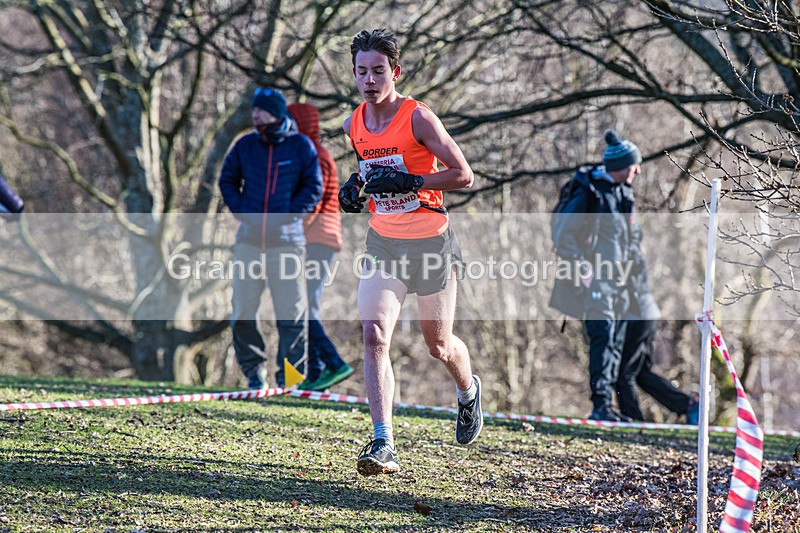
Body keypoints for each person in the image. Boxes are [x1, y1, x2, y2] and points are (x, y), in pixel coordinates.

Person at [339, 28, 483, 476]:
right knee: (374, 335)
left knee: (438, 345)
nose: (369, 80)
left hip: (431, 241)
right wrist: (353, 188)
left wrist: (414, 181)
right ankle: (383, 443)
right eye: (361, 72)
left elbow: (464, 176)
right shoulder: (353, 124)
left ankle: (468, 391)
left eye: (378, 71)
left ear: (394, 72)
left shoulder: (418, 117)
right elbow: (370, 172)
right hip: (384, 240)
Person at [552, 130, 689, 422]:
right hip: (597, 282)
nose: (638, 170)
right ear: (622, 166)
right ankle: (600, 405)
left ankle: (609, 408)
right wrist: (584, 270)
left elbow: (630, 243)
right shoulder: (589, 190)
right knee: (603, 341)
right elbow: (564, 236)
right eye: (634, 165)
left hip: (623, 284)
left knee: (615, 343)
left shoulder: (622, 193)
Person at [218, 87, 323, 389]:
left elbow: (313, 189)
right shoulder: (245, 145)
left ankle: (290, 379)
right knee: (242, 311)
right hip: (248, 242)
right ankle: (254, 372)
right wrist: (242, 211)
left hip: (288, 244)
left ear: (276, 113)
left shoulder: (301, 146)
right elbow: (227, 180)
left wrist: (290, 214)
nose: (255, 114)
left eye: (261, 109)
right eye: (253, 109)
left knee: (291, 314)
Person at [287, 102, 354, 391]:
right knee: (304, 305)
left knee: (302, 306)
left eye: (290, 123)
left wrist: (289, 227)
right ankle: (316, 374)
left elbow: (312, 202)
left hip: (317, 239)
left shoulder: (313, 154)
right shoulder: (310, 153)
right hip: (316, 239)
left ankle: (333, 363)